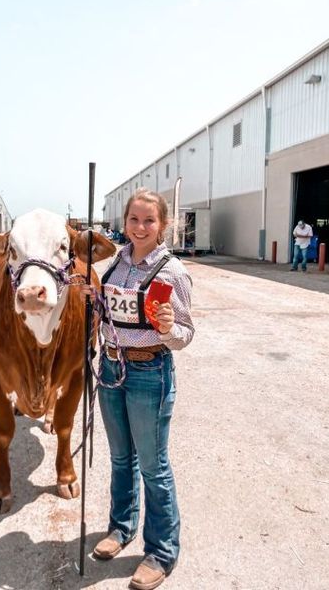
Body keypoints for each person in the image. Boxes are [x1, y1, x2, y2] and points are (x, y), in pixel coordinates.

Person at [82, 188, 194, 590]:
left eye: (149, 220)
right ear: (124, 222)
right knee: (120, 457)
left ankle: (162, 551)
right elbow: (108, 314)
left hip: (150, 373)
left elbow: (185, 333)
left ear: (162, 225)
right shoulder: (114, 264)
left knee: (153, 465)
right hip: (112, 367)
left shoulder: (172, 271)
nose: (140, 227)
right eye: (134, 219)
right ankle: (121, 527)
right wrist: (93, 299)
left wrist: (167, 328)